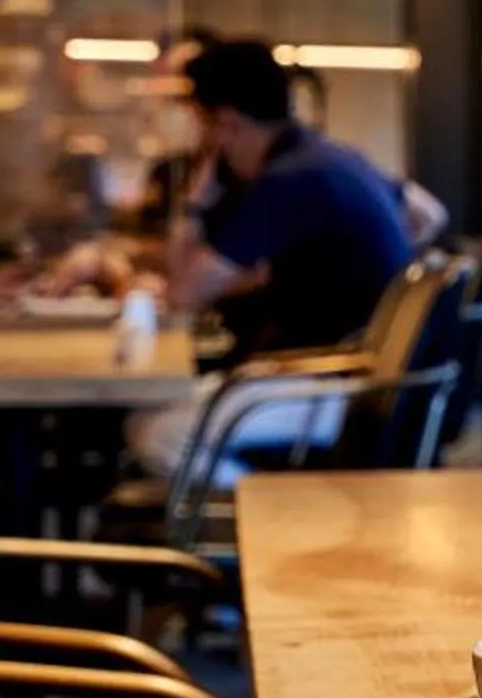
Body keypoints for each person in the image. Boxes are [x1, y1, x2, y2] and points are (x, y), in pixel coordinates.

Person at [127, 39, 414, 480]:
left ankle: (278, 520)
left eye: (203, 127)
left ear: (227, 124)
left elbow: (184, 294)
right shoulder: (330, 158)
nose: (203, 143)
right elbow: (427, 215)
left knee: (158, 431)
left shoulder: (287, 180)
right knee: (161, 416)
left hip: (343, 386)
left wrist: (197, 203)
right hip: (370, 378)